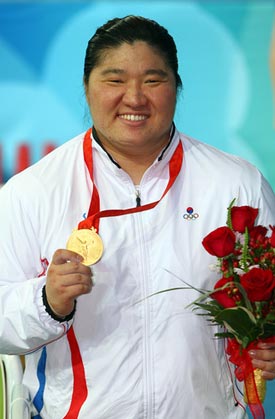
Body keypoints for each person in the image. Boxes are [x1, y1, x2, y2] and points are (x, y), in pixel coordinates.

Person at [0, 15, 275, 419]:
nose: (134, 97)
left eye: (152, 80)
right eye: (114, 80)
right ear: (86, 87)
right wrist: (47, 301)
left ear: (176, 87)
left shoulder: (237, 184)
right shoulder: (33, 192)